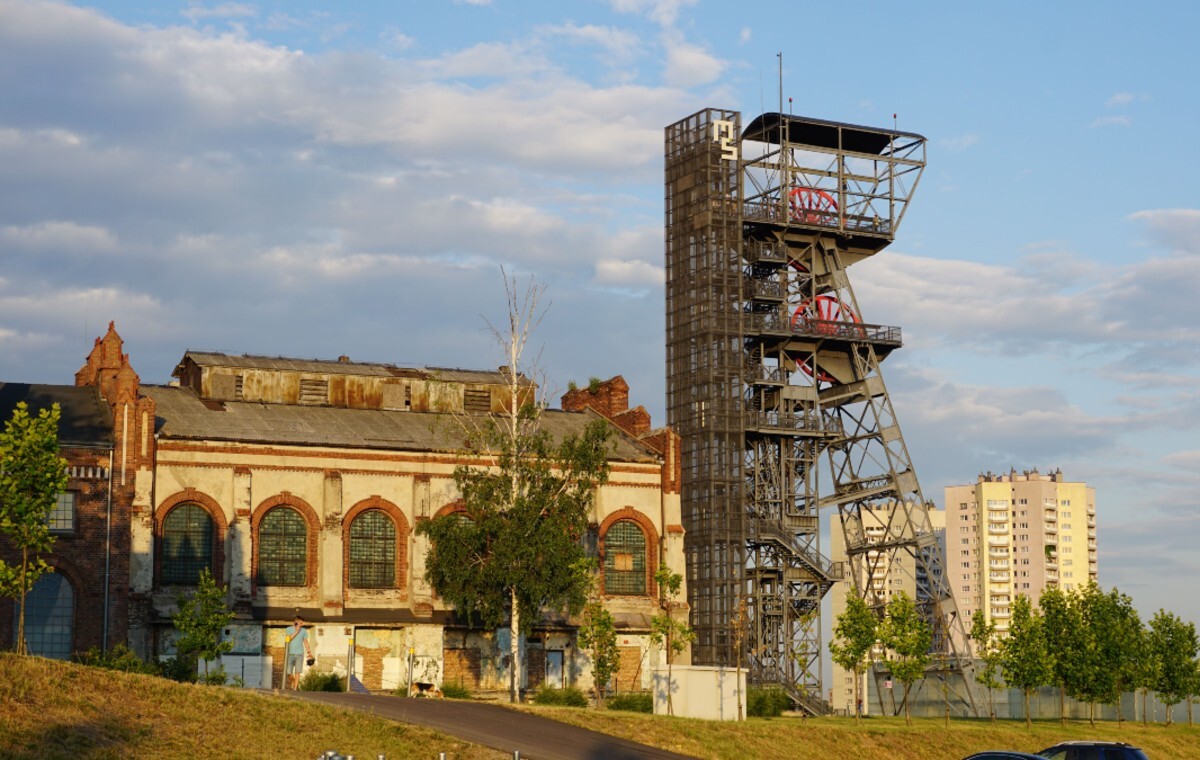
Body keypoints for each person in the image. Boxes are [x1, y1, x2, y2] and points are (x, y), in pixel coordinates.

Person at [284, 613, 314, 690]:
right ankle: (294, 681)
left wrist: (309, 653)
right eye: (300, 623)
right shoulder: (289, 629)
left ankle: (295, 688)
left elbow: (305, 642)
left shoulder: (304, 631)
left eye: (302, 623)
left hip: (300, 654)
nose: (302, 624)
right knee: (288, 672)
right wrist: (296, 631)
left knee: (297, 671)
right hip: (290, 653)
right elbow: (288, 639)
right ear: (295, 622)